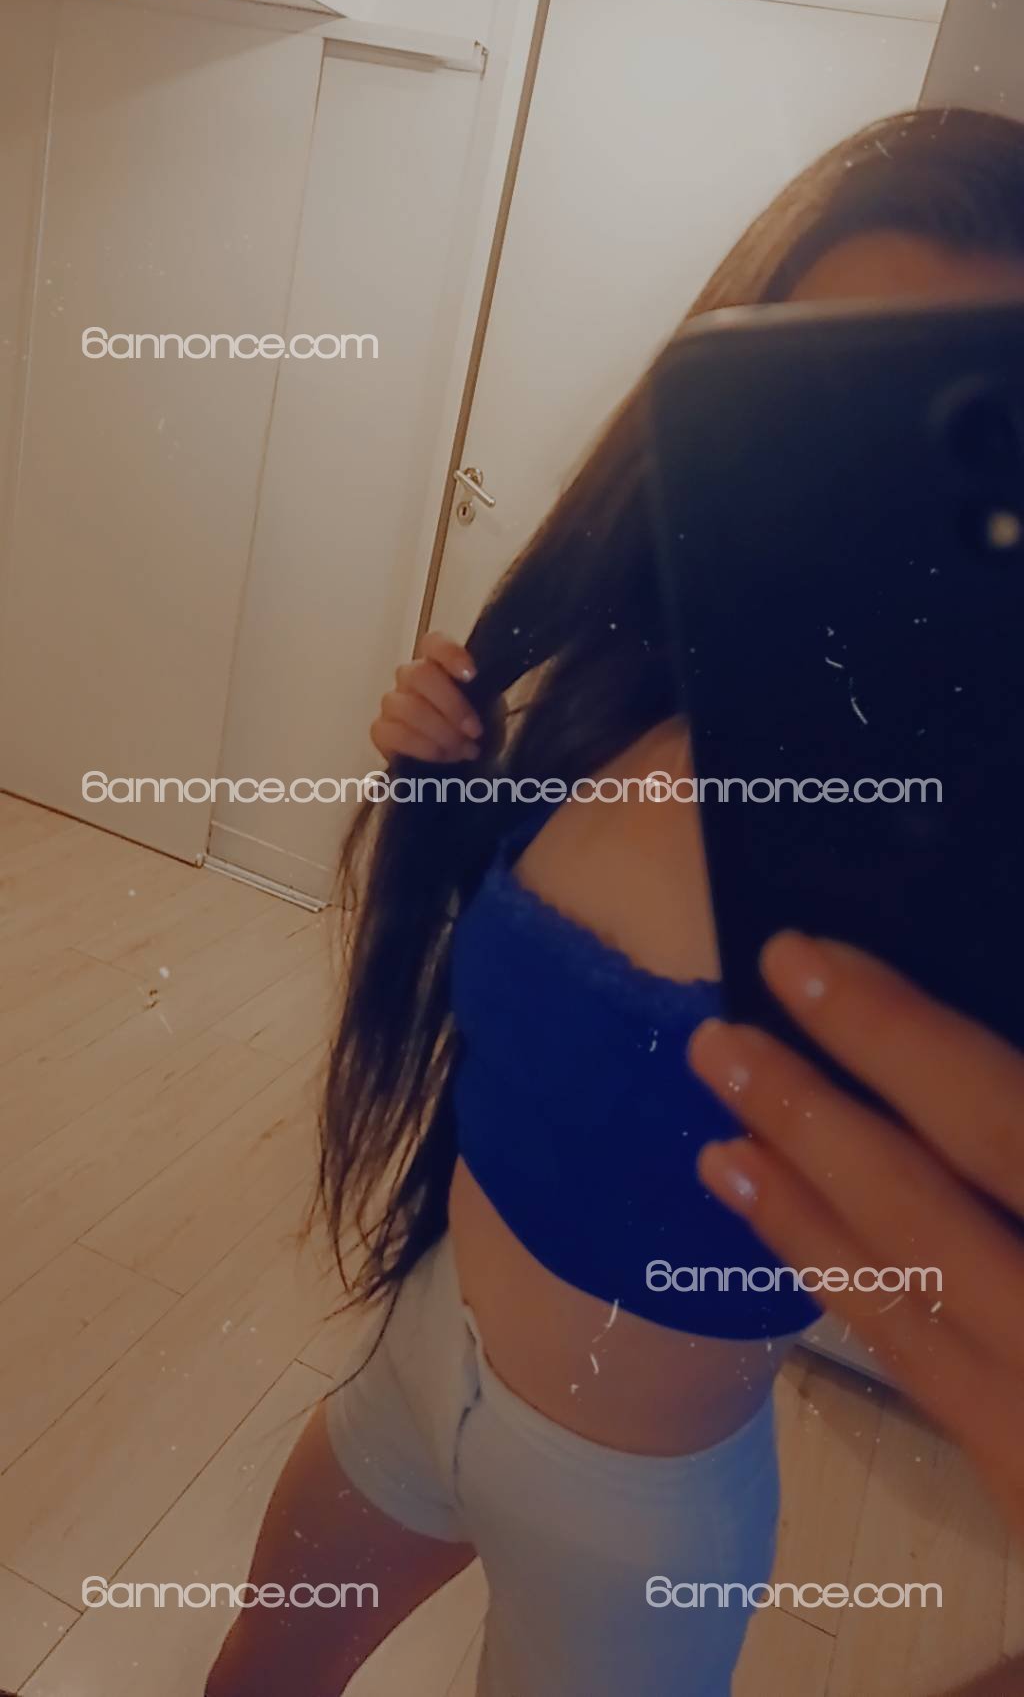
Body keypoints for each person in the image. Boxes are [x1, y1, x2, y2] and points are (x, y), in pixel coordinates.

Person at [205, 107, 1024, 1697]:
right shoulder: (620, 685)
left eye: (962, 424)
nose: (874, 493)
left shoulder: (980, 855)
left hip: (635, 1516)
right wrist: (446, 782)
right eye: (829, 405)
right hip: (420, 1359)